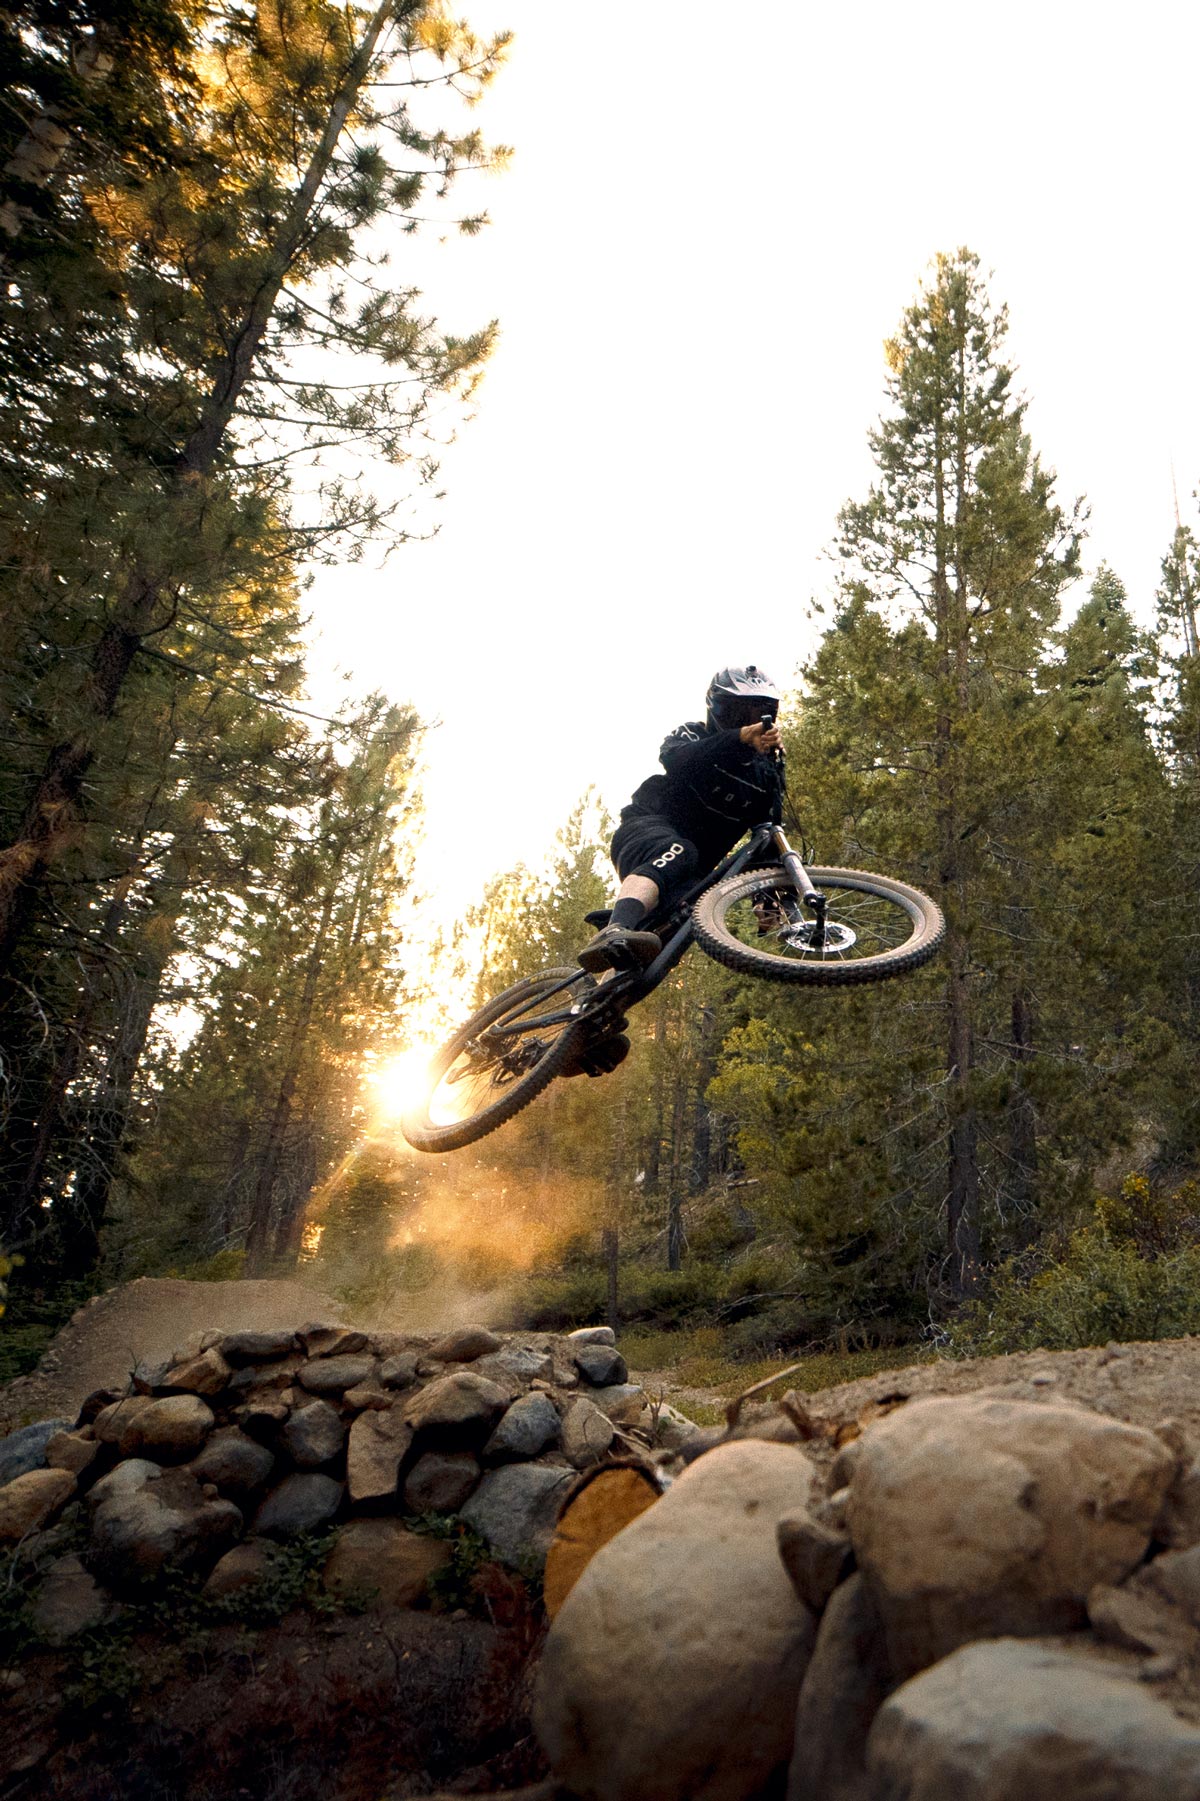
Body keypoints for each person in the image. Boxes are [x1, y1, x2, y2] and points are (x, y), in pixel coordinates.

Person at [579, 665, 783, 974]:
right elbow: (676, 759)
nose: (750, 722)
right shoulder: (694, 734)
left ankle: (596, 1007)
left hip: (692, 877)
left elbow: (764, 836)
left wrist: (765, 897)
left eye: (759, 714)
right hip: (646, 829)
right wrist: (738, 738)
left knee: (671, 941)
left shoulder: (761, 773)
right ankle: (616, 927)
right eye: (740, 713)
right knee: (680, 852)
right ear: (719, 709)